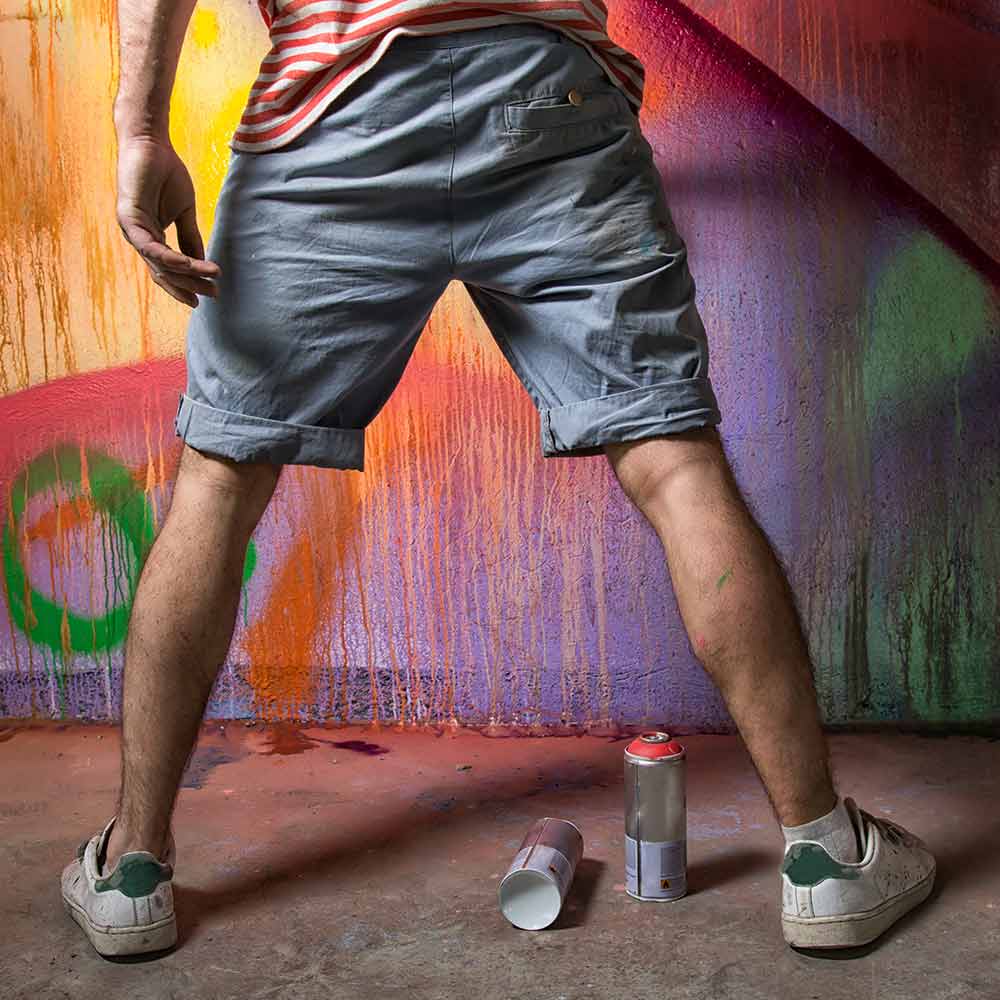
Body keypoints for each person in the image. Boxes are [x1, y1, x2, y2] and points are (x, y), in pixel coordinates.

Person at [61, 0, 935, 958]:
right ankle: (824, 862)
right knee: (675, 466)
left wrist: (141, 130)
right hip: (549, 98)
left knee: (220, 483)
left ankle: (132, 870)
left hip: (332, 111)